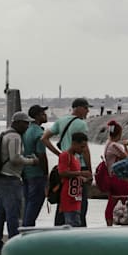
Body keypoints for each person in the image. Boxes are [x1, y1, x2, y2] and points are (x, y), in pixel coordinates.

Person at [0, 112, 39, 255]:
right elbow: (15, 158)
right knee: (13, 214)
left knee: (0, 214)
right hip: (10, 178)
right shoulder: (15, 137)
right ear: (18, 123)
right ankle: (14, 247)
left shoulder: (5, 134)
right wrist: (32, 161)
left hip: (0, 178)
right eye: (26, 123)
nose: (27, 126)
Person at [42, 97, 92, 227]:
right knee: (79, 202)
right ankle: (78, 231)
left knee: (63, 201)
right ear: (79, 108)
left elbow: (44, 138)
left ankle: (59, 230)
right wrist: (89, 170)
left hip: (65, 164)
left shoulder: (61, 121)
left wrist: (59, 154)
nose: (87, 111)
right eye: (86, 108)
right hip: (78, 167)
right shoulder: (81, 124)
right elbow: (85, 148)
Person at [22, 105, 49, 227]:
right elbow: (41, 155)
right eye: (43, 113)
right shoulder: (39, 132)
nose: (45, 115)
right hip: (37, 174)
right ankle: (27, 232)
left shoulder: (26, 130)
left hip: (26, 173)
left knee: (28, 204)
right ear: (38, 116)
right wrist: (46, 173)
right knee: (34, 207)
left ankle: (24, 230)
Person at [58, 132, 92, 227]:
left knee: (76, 223)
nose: (83, 149)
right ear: (74, 144)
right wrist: (81, 173)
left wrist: (85, 179)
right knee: (71, 224)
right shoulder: (65, 156)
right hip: (68, 198)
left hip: (76, 198)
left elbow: (74, 177)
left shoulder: (75, 158)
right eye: (81, 147)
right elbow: (62, 172)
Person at [103, 120, 128, 226]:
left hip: (111, 176)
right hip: (119, 178)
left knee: (112, 202)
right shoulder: (115, 146)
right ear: (119, 133)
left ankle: (109, 225)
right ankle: (126, 223)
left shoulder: (108, 143)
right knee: (125, 201)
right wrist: (126, 146)